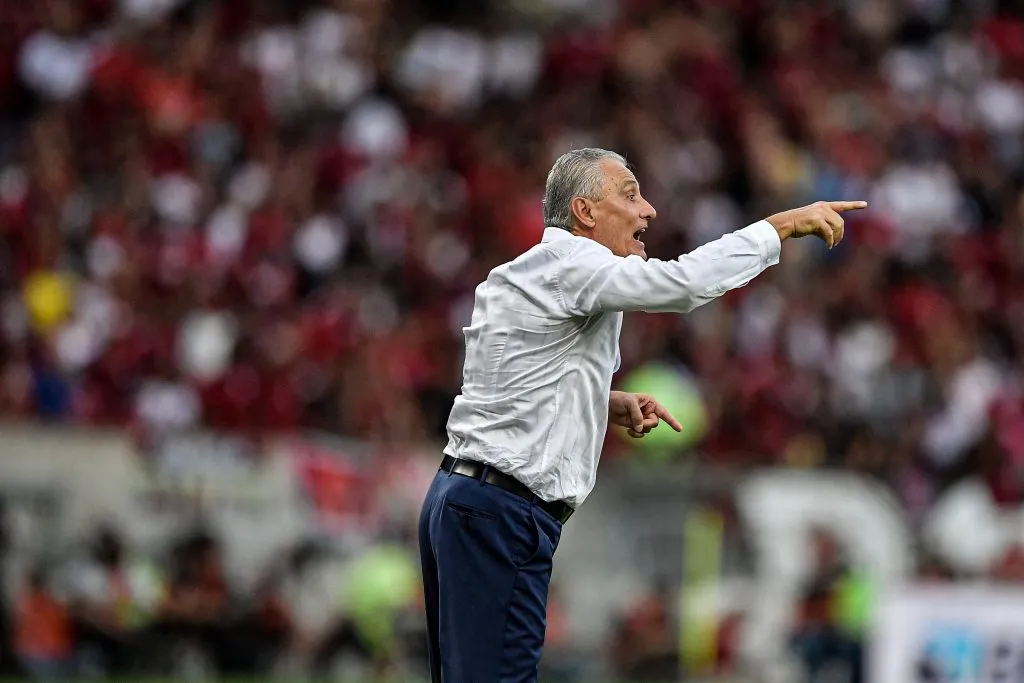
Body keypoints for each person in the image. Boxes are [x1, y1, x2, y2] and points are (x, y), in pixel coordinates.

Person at [418, 147, 866, 682]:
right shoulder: (575, 264)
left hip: (464, 500)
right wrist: (777, 228)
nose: (648, 210)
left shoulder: (528, 272)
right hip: (502, 511)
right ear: (585, 212)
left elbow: (509, 381)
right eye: (629, 194)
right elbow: (682, 285)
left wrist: (604, 401)